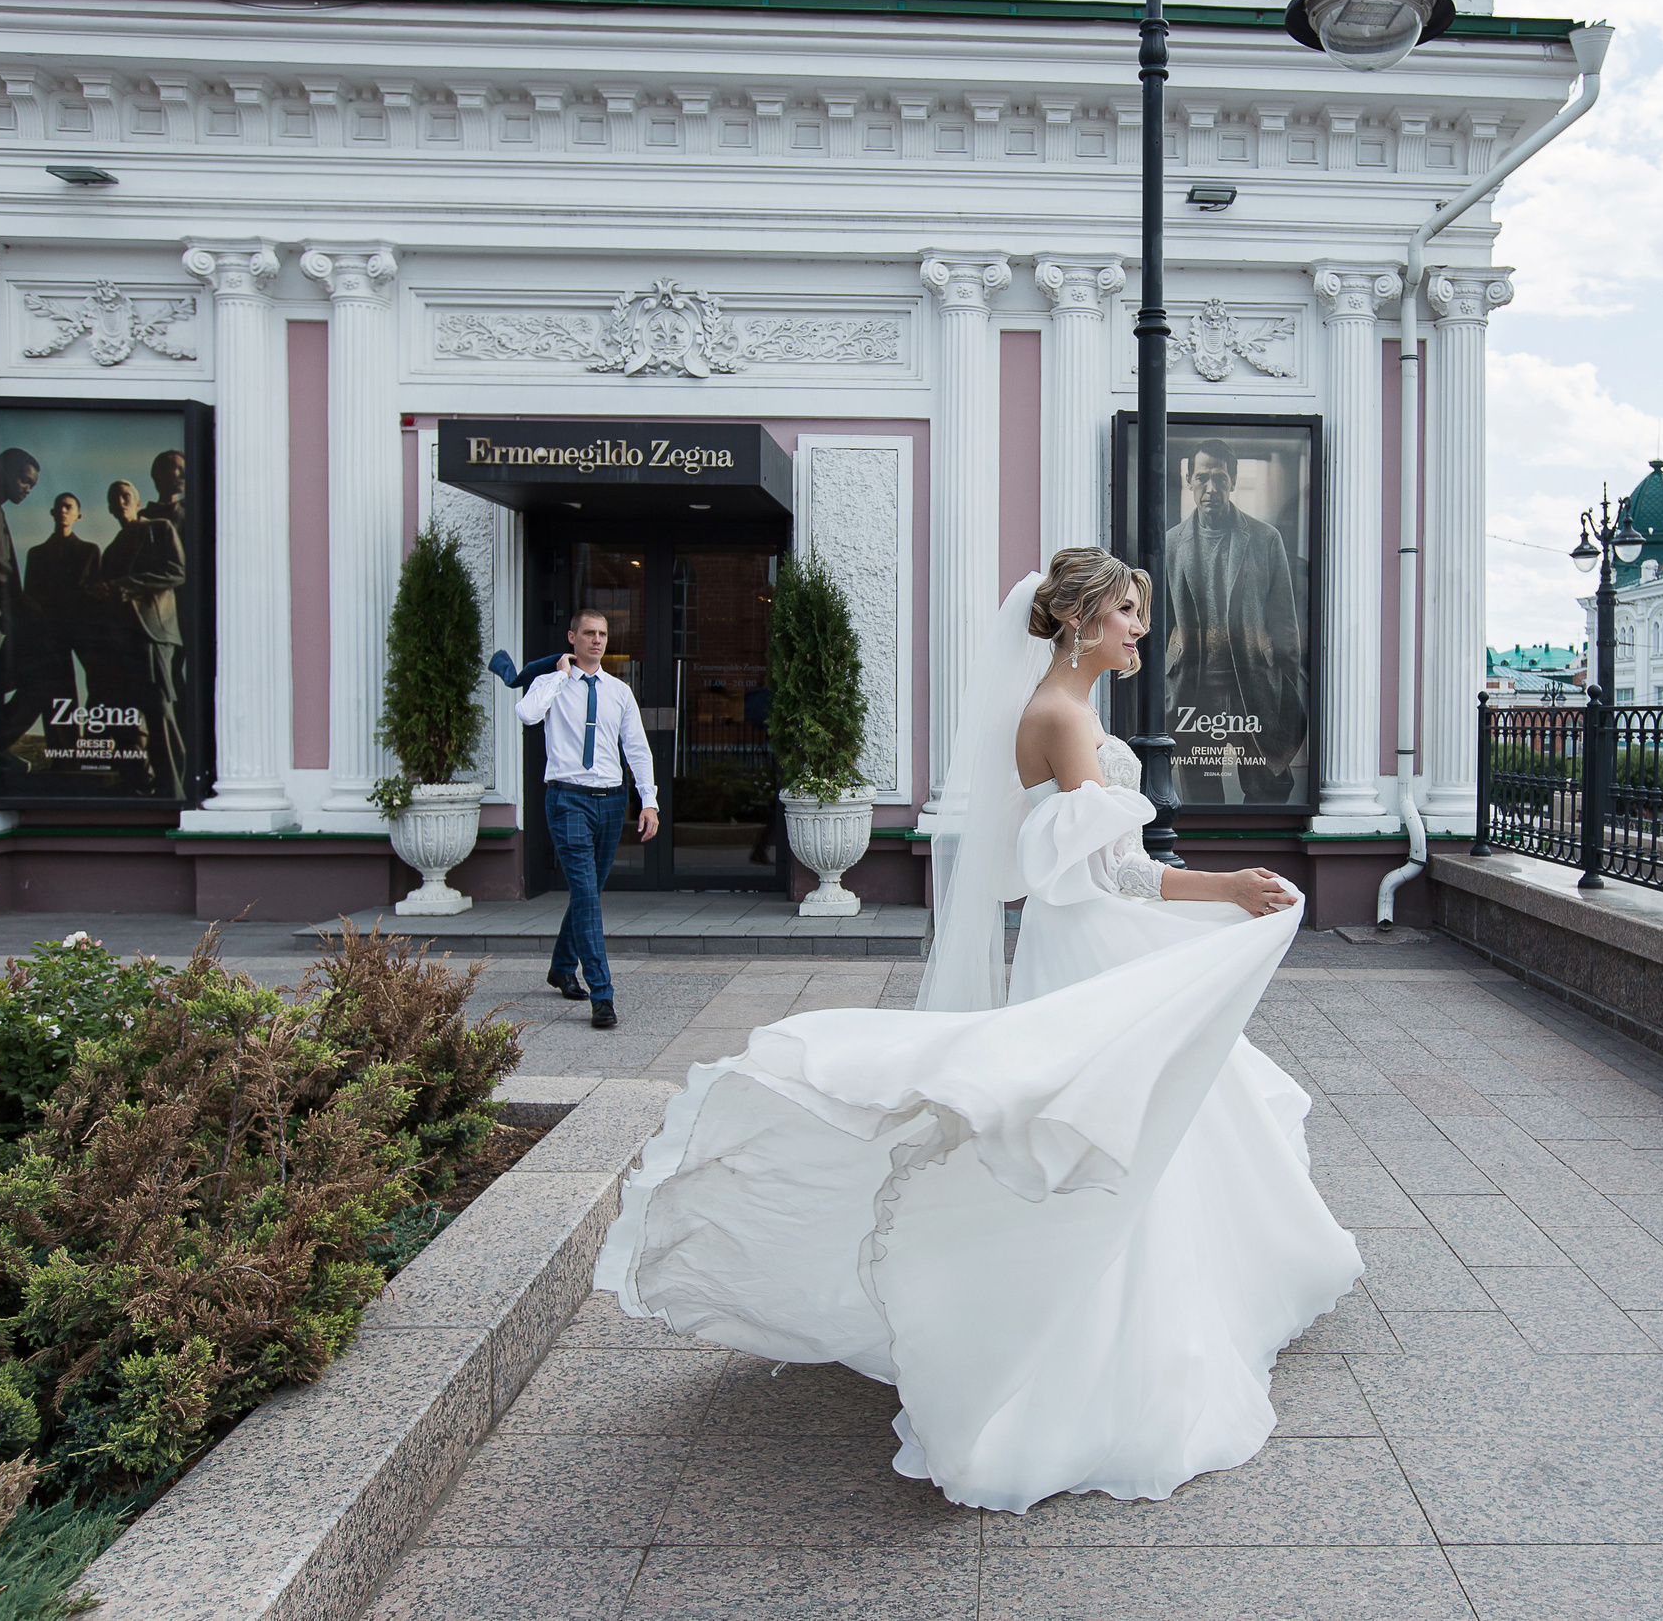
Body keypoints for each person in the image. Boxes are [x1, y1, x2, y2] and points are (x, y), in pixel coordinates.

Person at [593, 548, 1358, 1514]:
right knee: (1116, 1112)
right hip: (1089, 936)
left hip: (1077, 932)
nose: (1139, 629)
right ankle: (1090, 1338)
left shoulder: (1062, 707)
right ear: (1079, 618)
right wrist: (1229, 889)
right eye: (1126, 612)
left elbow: (1090, 861)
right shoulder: (1061, 715)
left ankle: (1196, 1286)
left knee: (1161, 1097)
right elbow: (1117, 870)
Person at [514, 610, 659, 1030]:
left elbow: (637, 749)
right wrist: (560, 675)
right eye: (589, 634)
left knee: (588, 891)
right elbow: (527, 715)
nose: (597, 641)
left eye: (602, 634)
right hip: (567, 800)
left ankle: (562, 966)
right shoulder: (551, 684)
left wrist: (647, 801)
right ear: (572, 637)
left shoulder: (618, 691)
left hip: (611, 803)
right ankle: (602, 993)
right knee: (587, 895)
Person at [1163, 438, 1306, 804]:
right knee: (1199, 793)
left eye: (1219, 478)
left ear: (1233, 480)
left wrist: (1284, 688)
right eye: (1202, 478)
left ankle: (1259, 854)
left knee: (1270, 785)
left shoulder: (1264, 539)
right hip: (1193, 688)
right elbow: (1157, 622)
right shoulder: (1171, 544)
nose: (1210, 488)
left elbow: (1285, 625)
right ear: (1189, 480)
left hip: (1253, 685)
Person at [93, 478, 185, 797]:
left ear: (138, 500)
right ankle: (141, 786)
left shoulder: (158, 529)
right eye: (113, 497)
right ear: (108, 508)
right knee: (127, 716)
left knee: (158, 711)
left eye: (125, 495)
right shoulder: (112, 549)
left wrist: (127, 585)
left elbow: (177, 572)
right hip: (121, 640)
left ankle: (173, 790)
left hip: (153, 632)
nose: (120, 500)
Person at [17, 493, 102, 764]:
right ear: (53, 513)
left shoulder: (89, 550)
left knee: (100, 686)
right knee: (56, 691)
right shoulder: (37, 553)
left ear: (78, 515)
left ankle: (94, 749)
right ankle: (64, 757)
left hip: (83, 628)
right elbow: (29, 595)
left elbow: (94, 593)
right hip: (49, 631)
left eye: (69, 507)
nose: (63, 511)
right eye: (59, 507)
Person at [0, 448, 40, 756]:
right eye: (24, 480)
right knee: (36, 685)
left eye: (32, 485)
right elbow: (2, 570)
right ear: (5, 470)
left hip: (4, 617)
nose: (27, 489)